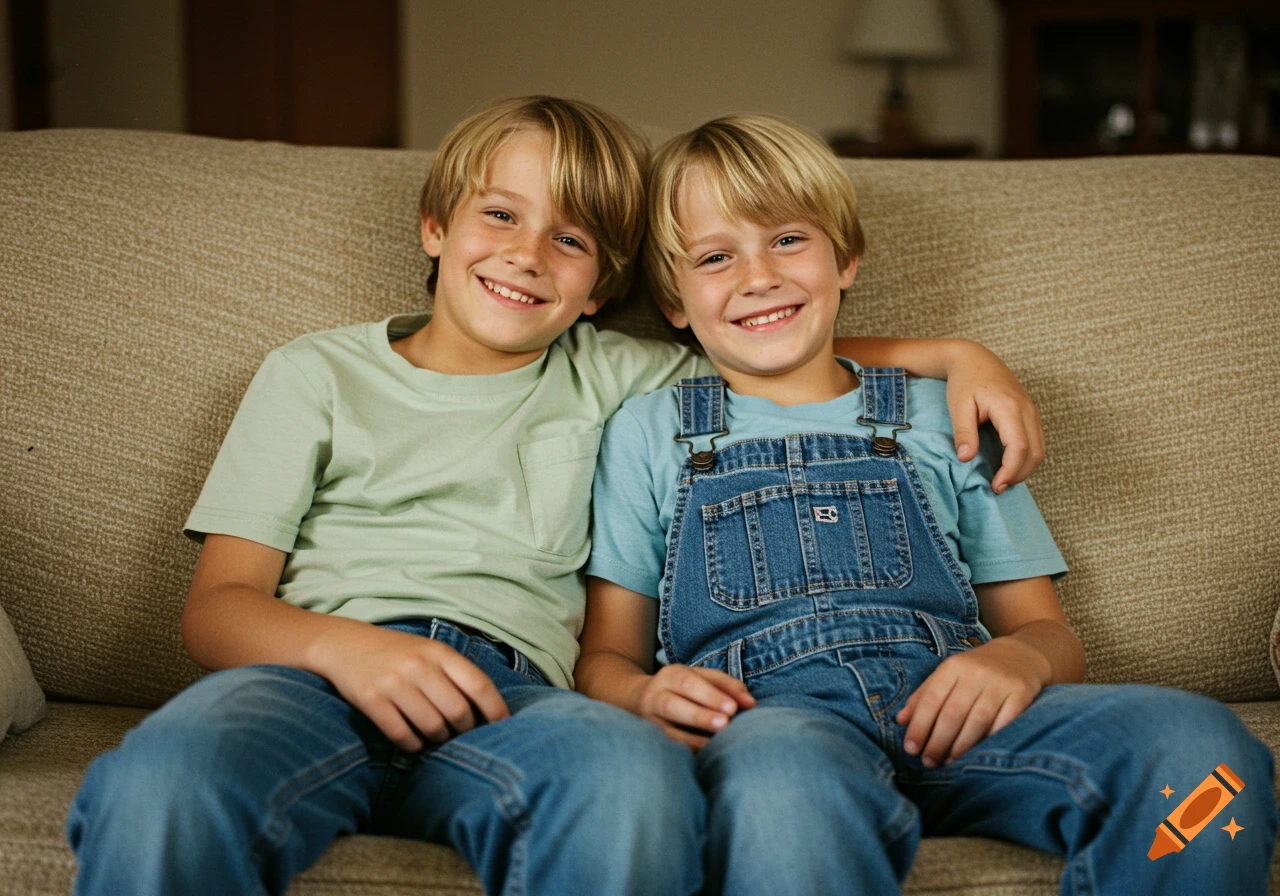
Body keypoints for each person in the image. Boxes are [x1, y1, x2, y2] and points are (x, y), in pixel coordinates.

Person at [66, 97, 1048, 896]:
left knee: (627, 780)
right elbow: (216, 608)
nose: (528, 253)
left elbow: (769, 345)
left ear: (598, 289)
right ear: (435, 225)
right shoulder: (312, 372)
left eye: (570, 239)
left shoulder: (625, 380)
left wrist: (952, 356)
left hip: (518, 698)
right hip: (310, 673)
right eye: (499, 214)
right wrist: (346, 646)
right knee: (166, 777)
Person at [575, 113, 1278, 896]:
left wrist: (1015, 658)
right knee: (782, 789)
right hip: (779, 736)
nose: (758, 276)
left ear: (846, 260)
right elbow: (606, 658)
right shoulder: (649, 429)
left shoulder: (943, 413)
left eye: (787, 240)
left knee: (1205, 756)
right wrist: (642, 696)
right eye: (714, 257)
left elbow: (1048, 634)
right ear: (673, 304)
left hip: (960, 720)